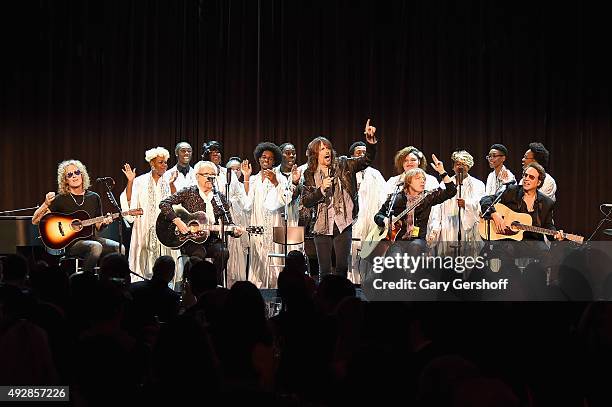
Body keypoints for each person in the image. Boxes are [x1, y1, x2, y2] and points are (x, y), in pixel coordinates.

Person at [301, 119, 378, 279]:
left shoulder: (344, 164)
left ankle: (342, 300)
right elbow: (307, 201)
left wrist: (370, 143)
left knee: (342, 268)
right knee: (325, 270)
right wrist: (321, 189)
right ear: (315, 154)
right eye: (322, 148)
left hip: (343, 224)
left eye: (328, 147)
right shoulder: (309, 173)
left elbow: (366, 161)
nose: (326, 150)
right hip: (321, 226)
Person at [159, 160, 244, 286]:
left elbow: (228, 223)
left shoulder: (219, 198)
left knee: (223, 252)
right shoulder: (188, 192)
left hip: (211, 239)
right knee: (199, 254)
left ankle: (213, 283)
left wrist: (235, 231)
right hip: (189, 239)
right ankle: (192, 284)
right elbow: (164, 204)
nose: (210, 177)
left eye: (213, 175)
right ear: (197, 176)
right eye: (206, 174)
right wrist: (177, 221)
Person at [32, 160, 121, 273]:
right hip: (71, 244)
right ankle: (83, 280)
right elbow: (35, 220)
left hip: (91, 239)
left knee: (120, 248)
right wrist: (45, 204)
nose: (74, 176)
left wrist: (105, 223)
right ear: (65, 180)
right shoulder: (60, 199)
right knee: (96, 247)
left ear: (82, 175)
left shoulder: (94, 197)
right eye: (69, 174)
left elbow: (98, 226)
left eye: (77, 172)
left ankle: (109, 280)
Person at [240, 142, 299, 288]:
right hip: (256, 226)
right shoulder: (253, 179)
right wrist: (246, 177)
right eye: (263, 157)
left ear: (274, 161)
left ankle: (275, 296)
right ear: (259, 159)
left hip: (273, 226)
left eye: (270, 158)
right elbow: (246, 204)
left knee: (275, 263)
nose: (266, 160)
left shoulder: (280, 178)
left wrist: (275, 182)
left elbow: (285, 199)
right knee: (257, 263)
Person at [374, 155, 457, 256]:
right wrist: (386, 220)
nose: (422, 181)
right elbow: (378, 216)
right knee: (393, 258)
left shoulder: (428, 197)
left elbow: (451, 191)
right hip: (398, 240)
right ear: (409, 182)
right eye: (418, 178)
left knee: (415, 247)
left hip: (418, 240)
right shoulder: (396, 198)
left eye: (424, 179)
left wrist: (442, 173)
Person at [120, 147, 180, 281]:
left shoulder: (169, 180)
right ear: (152, 164)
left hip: (165, 227)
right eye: (161, 162)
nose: (164, 165)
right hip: (145, 225)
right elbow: (129, 202)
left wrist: (171, 185)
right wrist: (130, 182)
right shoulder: (140, 181)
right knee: (144, 259)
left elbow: (177, 203)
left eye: (165, 162)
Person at [480, 162, 564, 243]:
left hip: (533, 245)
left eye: (531, 177)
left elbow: (548, 226)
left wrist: (555, 235)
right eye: (525, 175)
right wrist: (495, 215)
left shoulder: (547, 203)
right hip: (508, 243)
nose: (526, 178)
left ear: (539, 182)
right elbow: (485, 200)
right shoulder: (511, 191)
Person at [428, 150, 486, 258]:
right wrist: (436, 227)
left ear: (469, 166)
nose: (460, 166)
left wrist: (466, 204)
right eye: (457, 164)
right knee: (448, 261)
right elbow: (437, 207)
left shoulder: (478, 184)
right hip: (448, 226)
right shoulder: (444, 184)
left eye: (464, 164)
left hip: (468, 229)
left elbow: (481, 205)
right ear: (453, 167)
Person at [349, 141, 387, 282]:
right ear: (352, 156)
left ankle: (368, 281)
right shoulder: (348, 172)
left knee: (370, 251)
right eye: (358, 152)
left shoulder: (375, 174)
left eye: (365, 152)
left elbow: (384, 197)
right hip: (354, 219)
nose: (362, 154)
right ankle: (352, 281)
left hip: (371, 218)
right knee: (353, 250)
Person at [224, 157, 250, 287]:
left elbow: (247, 202)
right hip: (227, 228)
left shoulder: (243, 185)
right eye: (232, 169)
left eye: (237, 169)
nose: (235, 172)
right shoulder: (222, 186)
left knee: (241, 254)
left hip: (240, 224)